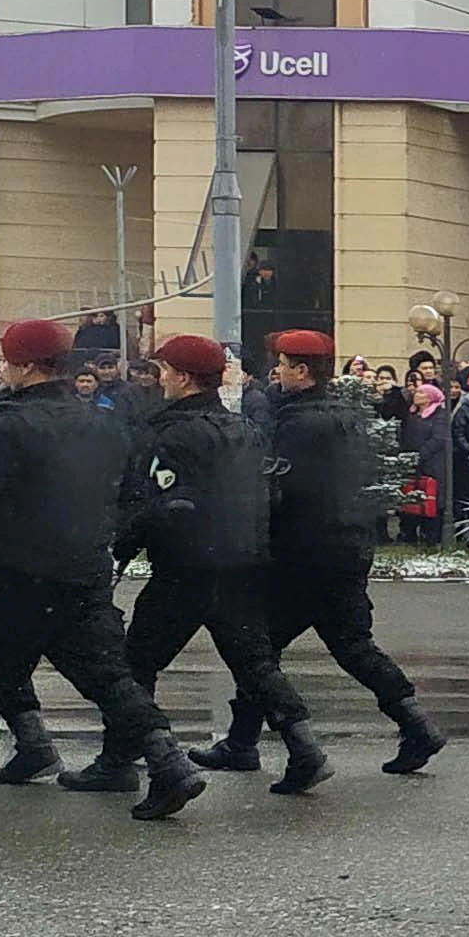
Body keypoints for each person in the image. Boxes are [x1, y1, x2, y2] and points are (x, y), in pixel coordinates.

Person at [0, 320, 203, 821]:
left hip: (8, 576)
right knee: (110, 680)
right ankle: (168, 762)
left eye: (5, 361)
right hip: (81, 570)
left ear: (26, 366)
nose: (0, 370)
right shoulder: (103, 423)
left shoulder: (7, 424)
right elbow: (130, 496)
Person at [211, 332, 442, 776]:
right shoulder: (344, 415)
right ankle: (416, 725)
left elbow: (280, 488)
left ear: (302, 371)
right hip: (346, 545)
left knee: (254, 647)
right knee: (351, 644)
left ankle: (270, 745)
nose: (275, 371)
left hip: (303, 552)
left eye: (281, 363)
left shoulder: (299, 423)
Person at [112, 333, 327, 794]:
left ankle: (123, 758)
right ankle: (304, 747)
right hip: (243, 564)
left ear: (184, 378)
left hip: (188, 568)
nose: (160, 379)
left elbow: (160, 502)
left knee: (135, 663)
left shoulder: (171, 433)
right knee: (255, 665)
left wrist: (122, 542)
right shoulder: (243, 429)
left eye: (165, 370)